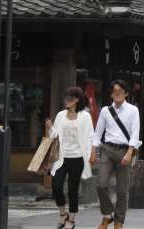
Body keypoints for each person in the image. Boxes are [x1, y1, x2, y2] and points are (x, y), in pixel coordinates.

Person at [92, 79, 141, 229]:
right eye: (114, 91)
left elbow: (135, 132)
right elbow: (97, 133)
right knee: (101, 184)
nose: (117, 94)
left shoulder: (133, 110)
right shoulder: (105, 111)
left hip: (125, 150)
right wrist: (93, 151)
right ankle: (107, 215)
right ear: (111, 94)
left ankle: (119, 221)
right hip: (107, 149)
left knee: (122, 190)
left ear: (126, 93)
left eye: (120, 91)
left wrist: (129, 152)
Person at [46, 87, 95, 229]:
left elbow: (90, 136)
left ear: (77, 100)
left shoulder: (85, 116)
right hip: (61, 157)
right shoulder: (61, 115)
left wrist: (92, 153)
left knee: (73, 190)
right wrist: (50, 127)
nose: (66, 101)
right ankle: (63, 214)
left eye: (70, 98)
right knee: (56, 186)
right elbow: (55, 136)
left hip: (78, 158)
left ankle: (71, 219)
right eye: (66, 98)